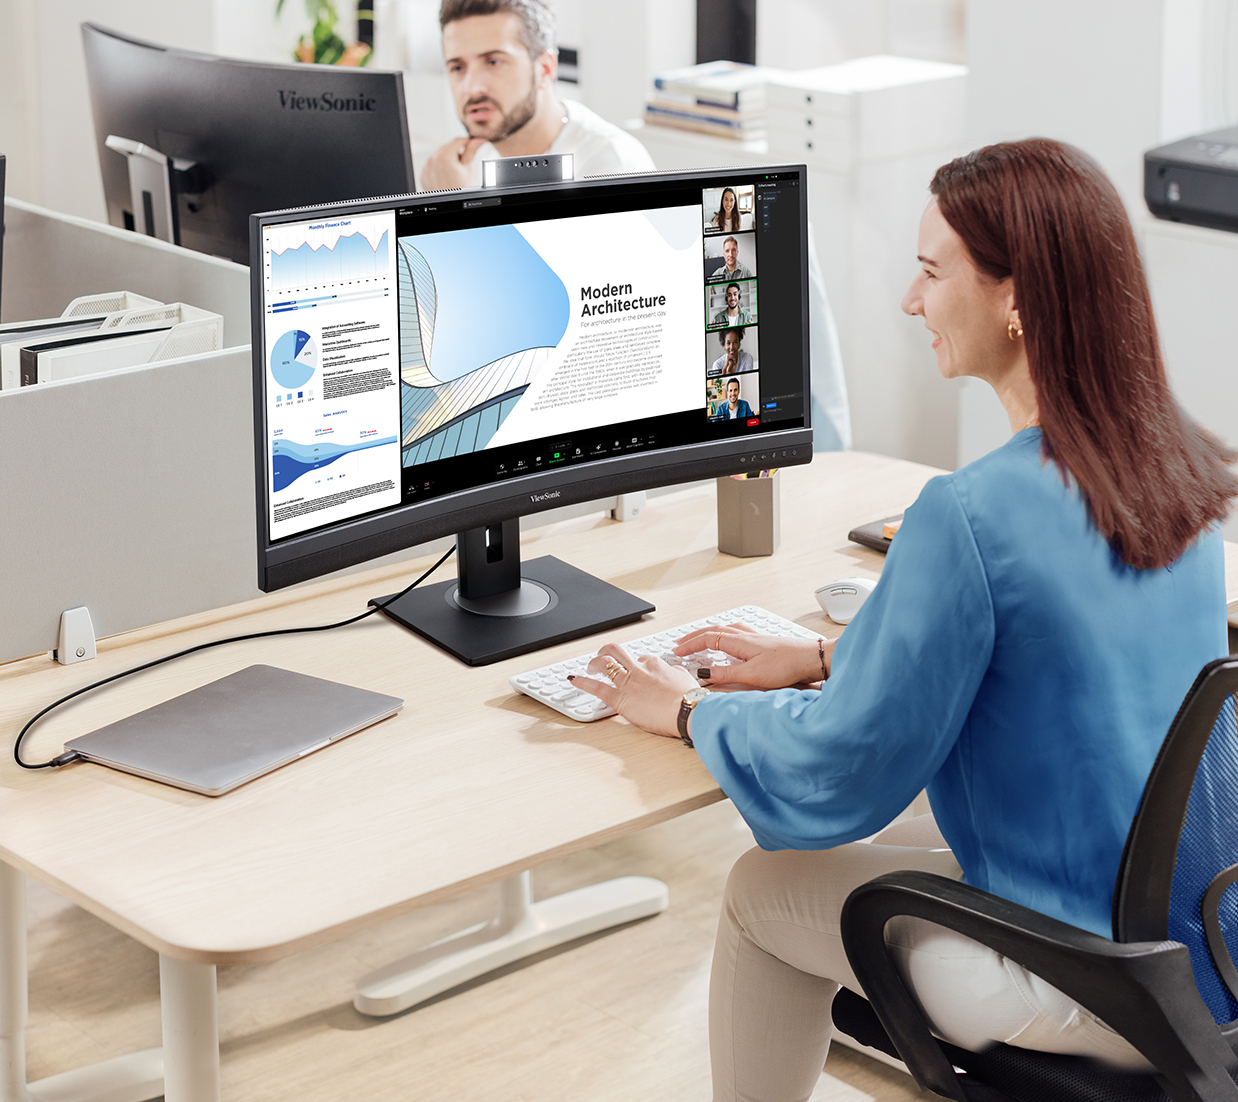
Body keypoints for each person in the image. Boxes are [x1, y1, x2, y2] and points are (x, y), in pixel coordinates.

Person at [570, 138, 1237, 1100]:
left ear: (1016, 298)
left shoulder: (970, 512)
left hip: (1090, 980)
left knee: (761, 889)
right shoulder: (1178, 470)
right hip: (1198, 938)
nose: (908, 300)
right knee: (899, 828)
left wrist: (687, 710)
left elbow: (840, 767)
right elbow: (1053, 657)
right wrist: (825, 655)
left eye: (931, 270)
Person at [420, 0, 655, 192]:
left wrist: (457, 203)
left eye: (494, 62)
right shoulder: (462, 167)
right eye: (458, 67)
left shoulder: (611, 165)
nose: (472, 88)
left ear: (545, 69)